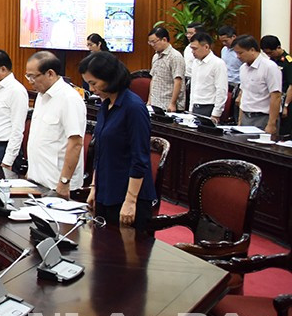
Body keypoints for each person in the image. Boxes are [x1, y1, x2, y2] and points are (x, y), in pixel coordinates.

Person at [79, 52, 156, 230]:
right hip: (106, 190)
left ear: (109, 78)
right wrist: (94, 187)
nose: (91, 89)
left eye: (94, 83)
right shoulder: (105, 106)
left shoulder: (134, 107)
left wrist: (130, 201)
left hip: (127, 196)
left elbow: (140, 158)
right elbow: (100, 152)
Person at [23, 51, 86, 198]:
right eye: (28, 76)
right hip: (37, 180)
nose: (30, 81)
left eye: (33, 76)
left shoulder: (69, 98)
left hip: (57, 184)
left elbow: (76, 143)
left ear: (50, 74)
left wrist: (64, 182)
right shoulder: (41, 95)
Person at [234, 34, 282, 135]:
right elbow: (244, 94)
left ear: (252, 50)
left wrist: (271, 124)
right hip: (246, 117)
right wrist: (240, 120)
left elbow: (276, 96)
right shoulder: (243, 68)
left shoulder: (270, 67)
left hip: (263, 118)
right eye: (236, 53)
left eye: (240, 53)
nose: (238, 57)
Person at [187, 32, 227, 122]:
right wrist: (190, 109)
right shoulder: (195, 63)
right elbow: (193, 87)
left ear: (206, 47)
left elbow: (221, 90)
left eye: (195, 49)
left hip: (209, 107)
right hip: (195, 107)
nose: (192, 52)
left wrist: (216, 114)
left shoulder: (218, 63)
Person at [260, 35, 292, 138]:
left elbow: (291, 86)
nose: (269, 55)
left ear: (278, 47)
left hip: (286, 100)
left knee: (284, 131)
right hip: (273, 100)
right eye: (266, 53)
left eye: (270, 52)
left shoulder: (288, 62)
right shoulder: (270, 62)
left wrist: (286, 105)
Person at [147, 26, 185, 112]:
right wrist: (150, 100)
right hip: (155, 103)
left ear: (164, 39)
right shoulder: (155, 56)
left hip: (168, 105)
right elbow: (154, 79)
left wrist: (172, 103)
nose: (152, 45)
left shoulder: (175, 56)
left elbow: (178, 81)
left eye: (154, 42)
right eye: (150, 42)